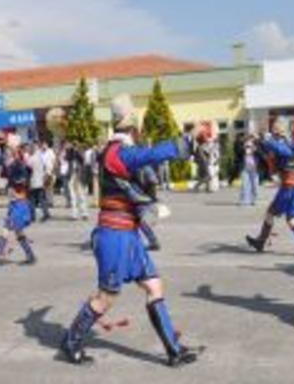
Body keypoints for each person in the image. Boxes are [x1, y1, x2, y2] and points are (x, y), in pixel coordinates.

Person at [59, 94, 202, 367]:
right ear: (131, 123)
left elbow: (146, 159)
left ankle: (174, 350)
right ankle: (71, 340)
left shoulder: (116, 149)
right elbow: (150, 154)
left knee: (154, 285)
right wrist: (187, 140)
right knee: (106, 298)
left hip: (129, 234)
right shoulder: (116, 152)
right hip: (114, 234)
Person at [246, 118, 294, 257]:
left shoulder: (285, 143)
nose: (273, 129)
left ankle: (261, 241)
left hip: (290, 187)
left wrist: (262, 140)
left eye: (275, 127)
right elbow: (271, 154)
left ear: (280, 129)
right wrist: (258, 142)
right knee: (291, 219)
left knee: (271, 213)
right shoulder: (285, 142)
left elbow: (282, 151)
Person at [0, 136, 37, 270]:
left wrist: (14, 183)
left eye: (9, 148)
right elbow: (0, 159)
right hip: (15, 202)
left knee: (6, 229)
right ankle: (30, 255)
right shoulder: (12, 163)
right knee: (18, 231)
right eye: (7, 148)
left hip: (20, 203)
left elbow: (23, 178)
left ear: (16, 149)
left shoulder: (20, 164)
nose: (7, 151)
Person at [27, 143, 50, 222]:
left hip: (33, 181)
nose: (28, 150)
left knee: (32, 200)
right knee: (42, 199)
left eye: (29, 149)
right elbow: (45, 167)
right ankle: (46, 213)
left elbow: (28, 171)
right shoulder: (40, 157)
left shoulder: (31, 159)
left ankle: (32, 216)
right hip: (40, 180)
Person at [67, 145, 89, 220]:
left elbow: (82, 159)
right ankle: (74, 214)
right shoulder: (70, 157)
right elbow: (68, 157)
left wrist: (76, 151)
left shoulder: (81, 158)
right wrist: (71, 149)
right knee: (73, 197)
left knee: (81, 196)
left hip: (79, 178)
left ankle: (84, 213)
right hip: (72, 177)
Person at [239, 135, 260, 205]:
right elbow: (238, 153)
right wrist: (243, 149)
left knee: (255, 185)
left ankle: (254, 199)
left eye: (250, 144)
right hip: (245, 168)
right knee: (244, 185)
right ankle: (244, 200)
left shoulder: (256, 148)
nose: (249, 146)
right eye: (247, 144)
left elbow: (263, 155)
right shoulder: (242, 148)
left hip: (254, 169)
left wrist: (255, 150)